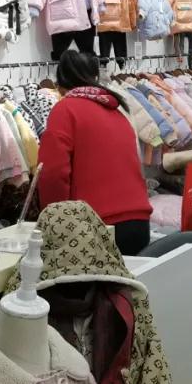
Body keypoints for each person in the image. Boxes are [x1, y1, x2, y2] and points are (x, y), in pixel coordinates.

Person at [37, 50, 153, 255]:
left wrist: (54, 223)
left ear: (60, 83)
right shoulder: (116, 109)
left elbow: (53, 174)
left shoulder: (65, 110)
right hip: (138, 222)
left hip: (95, 226)